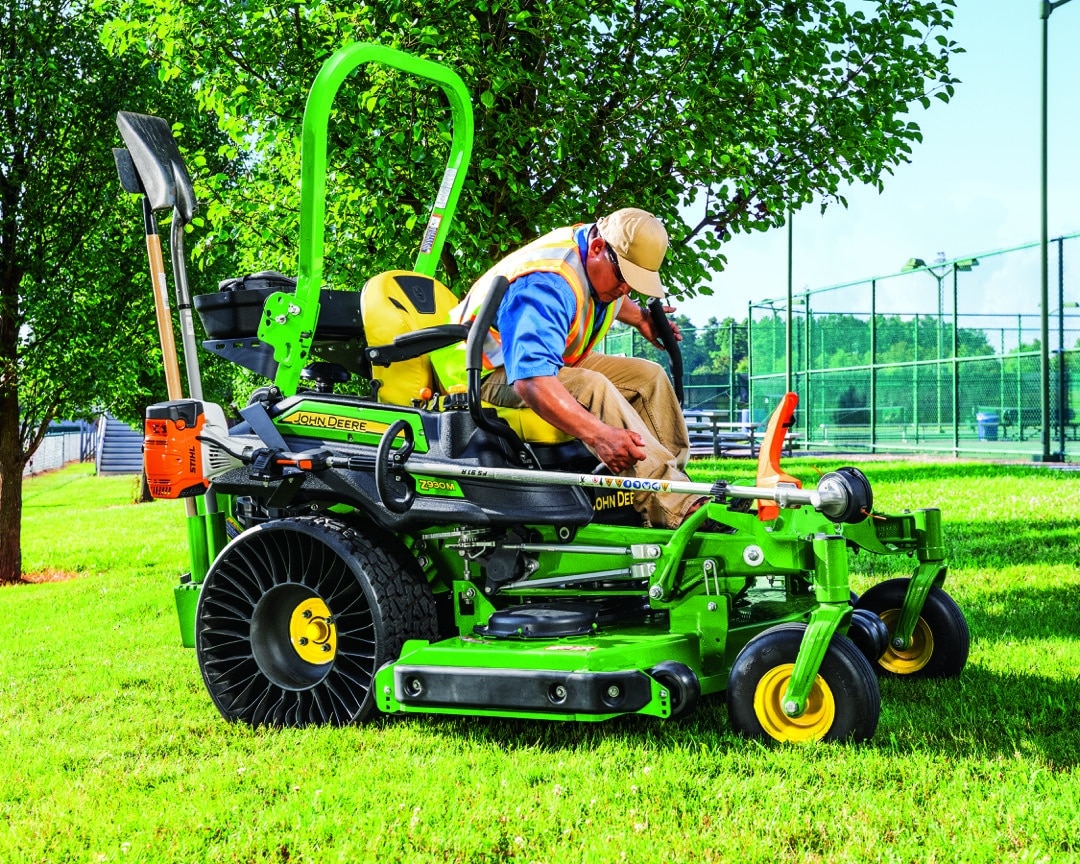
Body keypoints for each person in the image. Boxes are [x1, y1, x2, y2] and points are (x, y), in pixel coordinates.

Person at [442, 207, 704, 529]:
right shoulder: (546, 282)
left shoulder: (593, 253)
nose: (626, 289)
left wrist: (641, 319)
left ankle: (681, 491)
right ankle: (677, 510)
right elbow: (532, 380)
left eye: (634, 283)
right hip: (480, 373)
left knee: (649, 378)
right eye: (625, 278)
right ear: (597, 249)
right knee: (591, 386)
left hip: (547, 358)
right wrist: (599, 435)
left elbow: (608, 291)